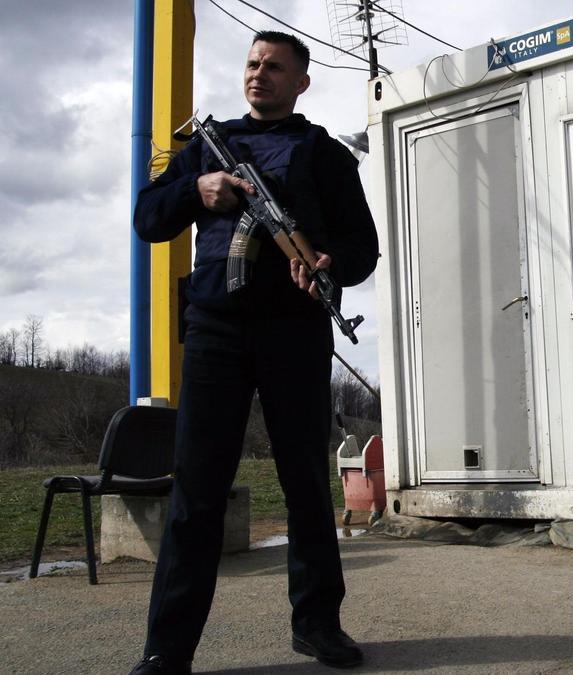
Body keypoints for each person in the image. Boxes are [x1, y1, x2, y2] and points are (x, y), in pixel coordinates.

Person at [130, 31, 377, 674]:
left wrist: (329, 263)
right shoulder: (204, 149)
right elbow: (148, 218)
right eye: (251, 63)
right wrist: (196, 191)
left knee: (305, 485)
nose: (258, 73)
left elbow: (362, 246)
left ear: (301, 82)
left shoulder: (324, 155)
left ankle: (318, 624)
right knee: (197, 493)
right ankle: (167, 649)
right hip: (214, 331)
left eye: (274, 66)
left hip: (295, 331)